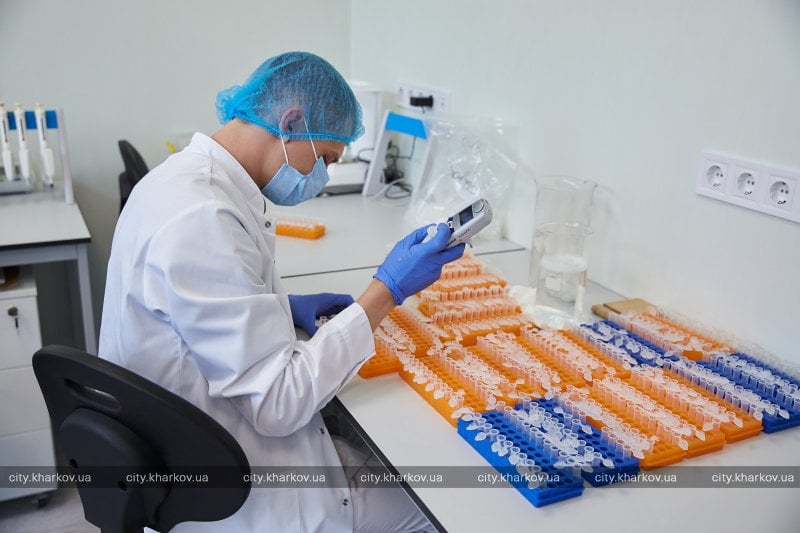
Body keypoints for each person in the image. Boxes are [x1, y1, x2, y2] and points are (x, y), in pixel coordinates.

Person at [99, 51, 464, 532]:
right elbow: (278, 404)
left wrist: (281, 307)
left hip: (197, 444)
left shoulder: (178, 179)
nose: (323, 177)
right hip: (232, 493)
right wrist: (387, 290)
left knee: (378, 454)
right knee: (449, 506)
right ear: (290, 123)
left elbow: (188, 308)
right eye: (325, 158)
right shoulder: (203, 216)